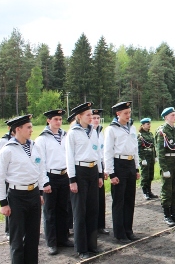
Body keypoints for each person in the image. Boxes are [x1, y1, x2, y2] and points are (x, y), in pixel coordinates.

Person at [0, 114, 50, 263]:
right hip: (16, 196)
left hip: (33, 195)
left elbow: (40, 169)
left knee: (33, 236)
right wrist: (3, 203)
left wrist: (40, 192)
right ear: (18, 129)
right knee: (17, 238)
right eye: (29, 127)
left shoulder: (34, 146)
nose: (32, 130)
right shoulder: (7, 150)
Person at [65, 102, 103, 260]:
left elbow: (97, 152)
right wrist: (72, 179)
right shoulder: (72, 133)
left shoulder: (93, 131)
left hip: (93, 171)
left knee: (93, 209)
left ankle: (92, 245)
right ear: (79, 116)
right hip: (79, 172)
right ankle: (81, 248)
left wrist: (100, 174)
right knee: (80, 212)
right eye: (88, 114)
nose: (91, 117)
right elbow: (69, 157)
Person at [34, 109, 74, 256]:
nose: (58, 121)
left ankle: (63, 238)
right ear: (48, 121)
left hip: (64, 175)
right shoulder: (42, 139)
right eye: (55, 119)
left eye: (60, 119)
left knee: (63, 209)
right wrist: (44, 182)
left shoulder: (65, 135)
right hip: (50, 177)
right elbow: (40, 163)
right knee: (50, 212)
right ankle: (51, 242)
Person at [104, 101, 141, 244]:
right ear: (117, 114)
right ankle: (119, 233)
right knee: (119, 201)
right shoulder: (111, 130)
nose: (128, 115)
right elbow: (107, 152)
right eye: (125, 113)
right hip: (119, 164)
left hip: (130, 164)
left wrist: (136, 168)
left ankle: (128, 230)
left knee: (130, 200)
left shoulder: (132, 128)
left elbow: (135, 149)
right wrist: (112, 173)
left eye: (129, 113)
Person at [156, 107, 175, 227]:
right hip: (167, 163)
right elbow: (160, 151)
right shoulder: (162, 131)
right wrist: (164, 168)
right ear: (166, 117)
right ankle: (167, 215)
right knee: (167, 191)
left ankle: (174, 213)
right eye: (172, 115)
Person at [90, 109, 110, 236]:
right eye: (94, 117)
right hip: (91, 167)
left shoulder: (100, 132)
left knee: (101, 197)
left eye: (98, 118)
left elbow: (104, 152)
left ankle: (100, 225)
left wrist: (105, 168)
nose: (96, 120)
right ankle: (92, 227)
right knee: (92, 199)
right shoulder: (88, 133)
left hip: (101, 165)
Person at [0, 125, 13, 241]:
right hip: (6, 179)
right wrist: (2, 163)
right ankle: (9, 230)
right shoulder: (4, 141)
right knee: (8, 204)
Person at [138, 118, 158, 200]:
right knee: (145, 176)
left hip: (151, 157)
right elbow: (139, 148)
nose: (149, 125)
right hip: (145, 158)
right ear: (142, 125)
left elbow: (153, 147)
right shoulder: (140, 135)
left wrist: (155, 156)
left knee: (150, 175)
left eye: (149, 123)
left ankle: (149, 191)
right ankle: (145, 192)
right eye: (147, 124)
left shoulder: (150, 134)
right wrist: (142, 159)